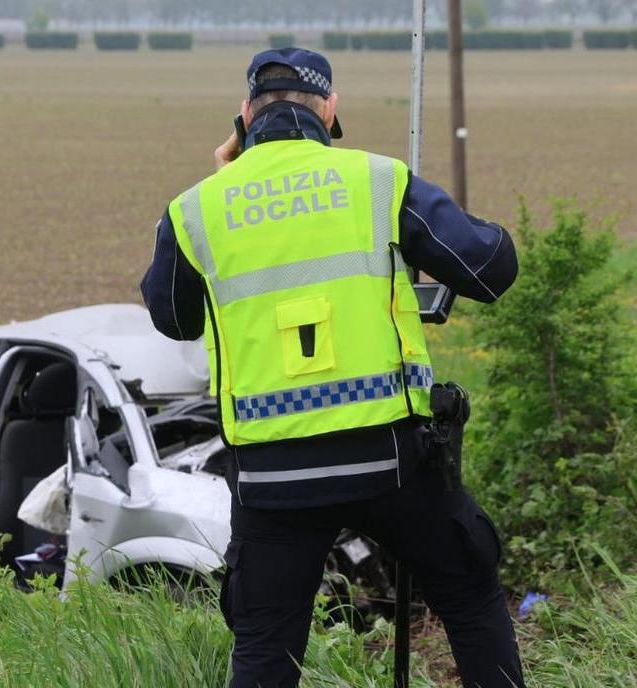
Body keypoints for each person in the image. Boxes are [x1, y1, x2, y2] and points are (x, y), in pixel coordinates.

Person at [140, 47, 523, 688]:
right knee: (468, 593)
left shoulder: (194, 210)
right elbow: (490, 269)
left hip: (270, 478)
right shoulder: (378, 181)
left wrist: (224, 180)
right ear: (329, 111)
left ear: (243, 118)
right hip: (391, 461)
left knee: (265, 647)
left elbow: (174, 319)